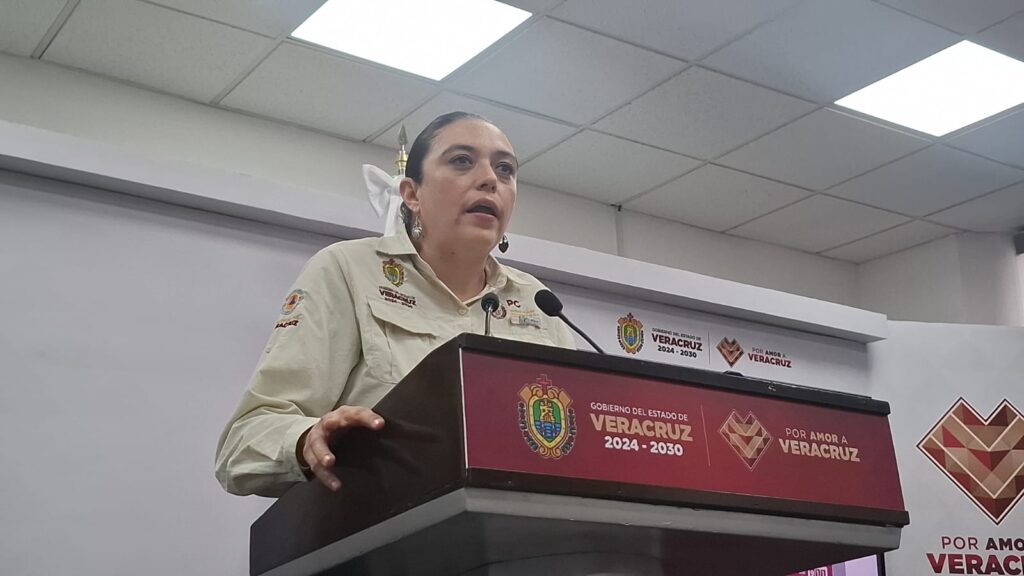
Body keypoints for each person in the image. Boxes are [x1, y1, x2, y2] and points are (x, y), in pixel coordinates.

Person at [215, 112, 576, 497]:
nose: (491, 179)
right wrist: (307, 440)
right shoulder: (348, 270)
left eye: (505, 169)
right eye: (461, 161)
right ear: (411, 194)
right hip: (382, 521)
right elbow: (242, 444)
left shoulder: (538, 303)